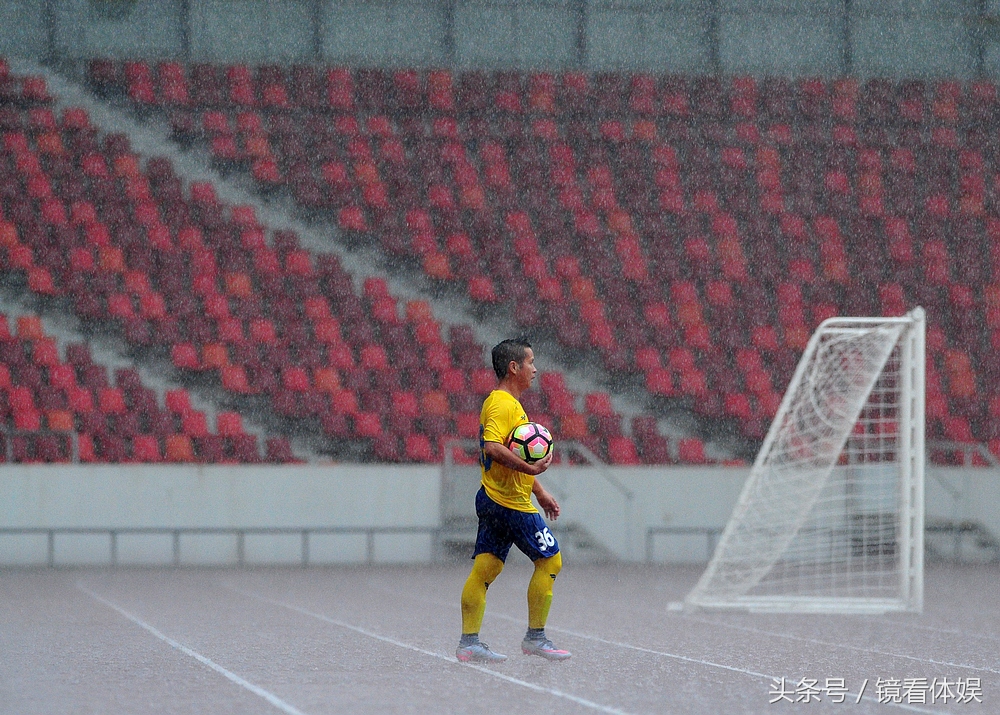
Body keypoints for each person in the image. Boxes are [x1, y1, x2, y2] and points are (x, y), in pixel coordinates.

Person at [456, 337, 571, 663]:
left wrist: (540, 489)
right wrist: (530, 467)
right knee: (551, 561)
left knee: (486, 568)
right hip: (509, 505)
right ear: (514, 367)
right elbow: (493, 447)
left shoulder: (509, 404)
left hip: (495, 498)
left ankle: (469, 643)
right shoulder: (503, 404)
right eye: (530, 362)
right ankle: (536, 637)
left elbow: (509, 456)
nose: (535, 369)